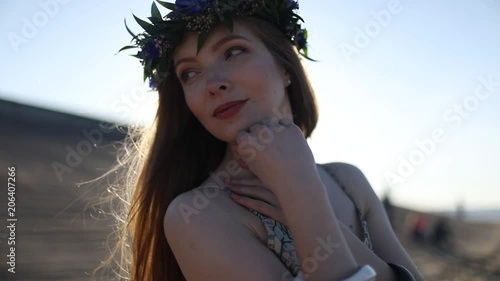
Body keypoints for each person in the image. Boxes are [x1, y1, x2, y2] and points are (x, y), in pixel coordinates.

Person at [94, 1, 424, 280]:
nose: (213, 83)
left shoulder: (348, 180)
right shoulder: (197, 216)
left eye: (233, 51)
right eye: (189, 73)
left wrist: (304, 196)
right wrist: (301, 194)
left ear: (285, 66)